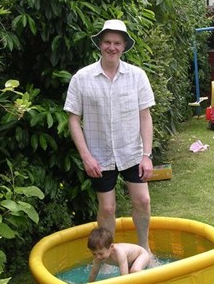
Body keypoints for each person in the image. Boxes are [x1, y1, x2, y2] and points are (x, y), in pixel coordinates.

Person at [64, 19, 155, 253]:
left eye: (117, 42)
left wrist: (147, 155)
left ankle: (144, 249)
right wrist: (86, 157)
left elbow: (145, 116)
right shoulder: (81, 78)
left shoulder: (137, 76)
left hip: (132, 153)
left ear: (124, 46)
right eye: (107, 42)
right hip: (99, 156)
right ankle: (105, 256)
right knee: (107, 208)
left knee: (143, 201)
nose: (112, 47)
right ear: (99, 44)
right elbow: (73, 119)